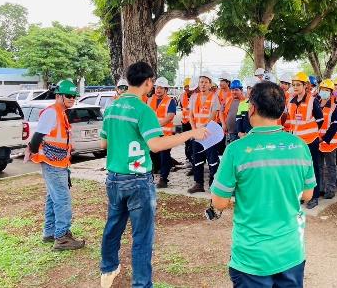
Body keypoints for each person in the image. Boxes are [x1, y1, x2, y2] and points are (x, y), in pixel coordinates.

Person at [99, 62, 207, 288]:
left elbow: (103, 143)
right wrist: (190, 134)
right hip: (138, 179)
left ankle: (108, 269)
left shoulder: (111, 108)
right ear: (148, 82)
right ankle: (141, 284)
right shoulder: (143, 110)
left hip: (114, 177)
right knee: (142, 237)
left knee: (113, 226)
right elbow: (156, 145)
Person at [211, 81, 316, 288]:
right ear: (281, 110)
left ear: (252, 108)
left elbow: (220, 203)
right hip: (291, 252)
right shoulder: (299, 146)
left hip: (251, 257)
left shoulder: (236, 150)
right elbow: (308, 195)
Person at [26, 79, 85, 251]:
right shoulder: (52, 112)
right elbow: (37, 137)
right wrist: (34, 152)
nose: (72, 99)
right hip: (52, 163)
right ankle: (62, 237)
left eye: (74, 96)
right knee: (62, 200)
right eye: (69, 96)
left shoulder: (61, 113)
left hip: (58, 163)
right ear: (58, 95)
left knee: (53, 198)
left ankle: (50, 232)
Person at [286, 71, 324, 209]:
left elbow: (320, 120)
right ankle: (302, 195)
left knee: (313, 168)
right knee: (299, 169)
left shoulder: (313, 101)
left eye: (298, 85)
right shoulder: (291, 102)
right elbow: (290, 121)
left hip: (311, 141)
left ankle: (314, 197)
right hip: (296, 142)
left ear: (305, 86)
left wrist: (311, 132)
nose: (295, 87)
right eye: (294, 85)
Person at [188, 71, 221, 193]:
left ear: (210, 84)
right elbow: (190, 115)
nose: (203, 84)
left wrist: (202, 129)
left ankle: (214, 183)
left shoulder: (214, 97)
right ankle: (198, 184)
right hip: (197, 134)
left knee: (212, 160)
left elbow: (213, 116)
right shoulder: (193, 97)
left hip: (209, 134)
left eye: (206, 82)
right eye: (201, 82)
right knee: (197, 159)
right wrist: (194, 130)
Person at [147, 77, 177, 188]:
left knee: (165, 156)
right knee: (152, 155)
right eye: (156, 87)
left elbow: (170, 117)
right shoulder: (150, 100)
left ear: (166, 89)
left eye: (161, 88)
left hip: (166, 134)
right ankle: (153, 175)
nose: (158, 89)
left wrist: (156, 126)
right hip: (153, 135)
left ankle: (163, 179)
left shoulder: (171, 101)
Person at [317, 79, 337, 199]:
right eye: (322, 90)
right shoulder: (315, 103)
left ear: (331, 93)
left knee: (330, 166)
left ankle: (330, 189)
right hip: (316, 141)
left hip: (329, 142)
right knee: (319, 166)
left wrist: (324, 138)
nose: (324, 92)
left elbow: (335, 125)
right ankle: (320, 188)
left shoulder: (334, 107)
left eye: (327, 90)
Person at [180, 77, 194, 170]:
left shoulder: (195, 96)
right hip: (185, 122)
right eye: (185, 87)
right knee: (186, 142)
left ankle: (193, 159)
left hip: (192, 122)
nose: (187, 88)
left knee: (192, 143)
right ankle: (188, 158)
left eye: (188, 86)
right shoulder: (182, 96)